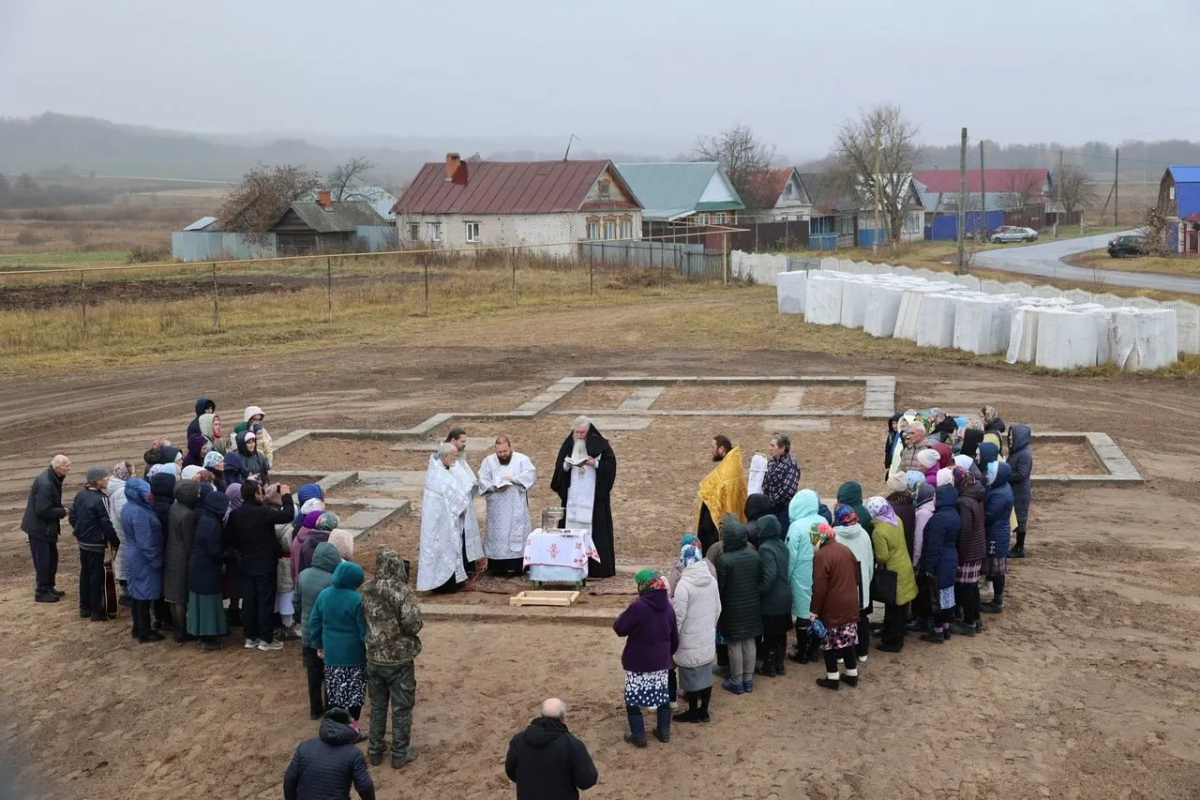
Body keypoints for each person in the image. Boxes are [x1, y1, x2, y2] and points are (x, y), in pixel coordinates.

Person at [362, 550, 423, 769]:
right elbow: (412, 624)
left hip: (374, 658)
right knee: (402, 706)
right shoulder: (402, 591)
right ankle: (400, 752)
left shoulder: (367, 589)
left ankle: (375, 751)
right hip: (399, 659)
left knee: (378, 706)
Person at [226, 479, 294, 650]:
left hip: (246, 562)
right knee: (265, 600)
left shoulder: (235, 514)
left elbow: (229, 540)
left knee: (249, 600)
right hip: (265, 563)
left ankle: (250, 636)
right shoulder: (264, 512)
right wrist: (286, 496)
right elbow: (288, 515)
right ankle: (266, 638)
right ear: (256, 494)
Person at [613, 570, 678, 747]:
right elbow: (675, 638)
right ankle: (664, 732)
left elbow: (619, 628)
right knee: (662, 696)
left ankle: (638, 736)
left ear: (643, 586)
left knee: (633, 698)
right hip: (660, 662)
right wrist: (667, 655)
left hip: (637, 662)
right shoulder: (669, 607)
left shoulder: (638, 607)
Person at [551, 417, 617, 579]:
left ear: (589, 431)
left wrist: (595, 464)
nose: (579, 436)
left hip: (593, 499)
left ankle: (595, 569)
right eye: (577, 432)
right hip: (573, 497)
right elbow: (559, 468)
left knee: (595, 530)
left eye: (582, 433)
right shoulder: (568, 444)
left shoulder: (600, 445)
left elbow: (610, 466)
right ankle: (570, 565)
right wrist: (566, 466)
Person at [417, 443, 483, 593]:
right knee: (442, 550)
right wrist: (461, 505)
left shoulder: (445, 468)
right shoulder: (437, 474)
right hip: (439, 521)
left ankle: (455, 580)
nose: (455, 459)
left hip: (449, 519)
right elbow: (446, 495)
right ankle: (443, 584)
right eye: (454, 456)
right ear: (445, 456)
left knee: (452, 548)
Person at [311, 560, 369, 730]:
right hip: (355, 657)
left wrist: (318, 644)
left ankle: (334, 729)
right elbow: (363, 630)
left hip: (332, 656)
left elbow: (314, 622)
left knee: (335, 694)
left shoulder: (324, 595)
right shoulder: (358, 599)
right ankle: (353, 729)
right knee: (355, 696)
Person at [505, 698, 598, 800]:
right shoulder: (571, 744)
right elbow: (587, 780)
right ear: (563, 718)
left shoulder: (519, 741)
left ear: (541, 714)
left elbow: (511, 771)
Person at [670, 541, 719, 723]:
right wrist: (710, 626)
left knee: (690, 676)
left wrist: (674, 636)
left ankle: (692, 712)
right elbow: (718, 608)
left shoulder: (684, 585)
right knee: (706, 675)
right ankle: (704, 711)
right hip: (706, 636)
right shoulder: (711, 581)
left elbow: (678, 617)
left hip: (689, 639)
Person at [809, 522, 862, 690]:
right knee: (848, 640)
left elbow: (819, 588)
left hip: (832, 608)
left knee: (829, 643)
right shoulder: (844, 549)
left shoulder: (821, 556)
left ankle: (832, 678)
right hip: (850, 603)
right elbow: (857, 574)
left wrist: (814, 612)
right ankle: (852, 674)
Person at [282, 708, 375, 800]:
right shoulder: (354, 753)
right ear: (348, 727)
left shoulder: (304, 747)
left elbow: (289, 780)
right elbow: (366, 787)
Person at [715, 514, 761, 695]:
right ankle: (748, 680)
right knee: (750, 641)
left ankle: (736, 680)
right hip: (752, 605)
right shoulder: (754, 555)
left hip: (732, 608)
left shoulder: (725, 560)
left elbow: (721, 587)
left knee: (734, 644)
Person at [478, 436, 537, 576]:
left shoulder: (522, 459)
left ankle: (517, 566)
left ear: (510, 448)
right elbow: (482, 481)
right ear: (495, 450)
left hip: (516, 505)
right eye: (500, 452)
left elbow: (530, 476)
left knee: (516, 533)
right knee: (498, 535)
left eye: (505, 451)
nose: (503, 454)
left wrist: (514, 479)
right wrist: (494, 487)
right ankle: (496, 567)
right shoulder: (488, 462)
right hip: (496, 508)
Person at [69, 466, 120, 621]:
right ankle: (97, 611)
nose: (108, 480)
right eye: (105, 478)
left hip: (83, 540)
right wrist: (115, 541)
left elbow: (72, 516)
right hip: (95, 543)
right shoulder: (101, 499)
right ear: (97, 481)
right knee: (96, 575)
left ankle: (84, 607)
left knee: (85, 573)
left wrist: (79, 531)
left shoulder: (80, 495)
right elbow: (107, 524)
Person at [298, 541, 342, 719]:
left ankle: (315, 709)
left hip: (307, 633)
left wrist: (300, 620)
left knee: (312, 673)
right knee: (329, 673)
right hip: (325, 636)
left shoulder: (303, 575)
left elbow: (296, 600)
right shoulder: (331, 581)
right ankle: (330, 709)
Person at [868, 496, 917, 653]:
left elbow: (882, 557)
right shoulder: (896, 519)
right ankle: (891, 631)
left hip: (893, 571)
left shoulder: (879, 531)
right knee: (901, 606)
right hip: (904, 565)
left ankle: (895, 641)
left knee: (895, 607)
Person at [121, 477, 165, 643]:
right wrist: (156, 560)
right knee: (144, 595)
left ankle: (138, 627)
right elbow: (145, 542)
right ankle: (144, 631)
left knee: (137, 593)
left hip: (134, 553)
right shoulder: (140, 512)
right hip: (142, 558)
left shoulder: (129, 507)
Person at [21, 454, 70, 603]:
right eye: (67, 466)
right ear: (58, 468)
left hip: (46, 528)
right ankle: (41, 591)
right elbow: (42, 510)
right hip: (39, 529)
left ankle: (49, 587)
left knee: (51, 559)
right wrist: (63, 511)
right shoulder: (46, 483)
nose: (69, 468)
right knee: (43, 561)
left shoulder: (52, 478)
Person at [187, 488, 229, 651]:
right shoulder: (213, 524)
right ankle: (207, 639)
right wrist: (228, 556)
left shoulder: (205, 518)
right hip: (207, 570)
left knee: (199, 603)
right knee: (208, 604)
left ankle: (202, 636)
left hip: (199, 567)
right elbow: (215, 551)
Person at [919, 482, 961, 644]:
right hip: (951, 557)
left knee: (937, 598)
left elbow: (933, 547)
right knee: (947, 596)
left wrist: (928, 568)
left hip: (940, 561)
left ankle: (937, 632)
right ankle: (945, 627)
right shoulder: (955, 515)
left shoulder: (938, 519)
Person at [834, 504, 875, 663]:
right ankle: (863, 652)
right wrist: (867, 579)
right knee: (862, 619)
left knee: (841, 621)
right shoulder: (864, 533)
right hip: (861, 585)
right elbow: (870, 561)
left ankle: (841, 655)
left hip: (841, 586)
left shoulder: (835, 536)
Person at [164, 479, 202, 644]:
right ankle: (182, 630)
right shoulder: (188, 514)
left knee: (173, 595)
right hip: (182, 557)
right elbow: (189, 541)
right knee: (179, 596)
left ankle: (178, 628)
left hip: (171, 551)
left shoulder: (175, 506)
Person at [785, 490, 821, 664]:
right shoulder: (821, 521)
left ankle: (802, 652)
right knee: (815, 610)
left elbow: (791, 555)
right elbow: (819, 547)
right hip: (818, 571)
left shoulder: (796, 526)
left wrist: (787, 575)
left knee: (802, 614)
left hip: (800, 574)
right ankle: (814, 648)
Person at [695, 435, 747, 556]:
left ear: (721, 449)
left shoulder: (728, 469)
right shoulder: (732, 463)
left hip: (716, 523)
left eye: (713, 447)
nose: (712, 450)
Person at [755, 515, 791, 678]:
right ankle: (779, 664)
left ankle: (769, 666)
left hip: (772, 600)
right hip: (785, 596)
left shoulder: (765, 549)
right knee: (781, 633)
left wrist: (758, 590)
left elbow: (769, 575)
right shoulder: (782, 545)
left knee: (769, 635)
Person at [979, 444, 1014, 614]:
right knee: (995, 568)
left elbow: (989, 516)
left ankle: (997, 601)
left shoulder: (1000, 494)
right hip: (997, 533)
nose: (987, 475)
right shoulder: (1000, 488)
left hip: (995, 535)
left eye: (990, 472)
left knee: (997, 569)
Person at [953, 466, 986, 636]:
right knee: (972, 587)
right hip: (978, 547)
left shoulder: (963, 501)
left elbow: (964, 531)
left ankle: (968, 623)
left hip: (969, 551)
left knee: (966, 588)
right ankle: (975, 618)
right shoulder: (976, 492)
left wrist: (960, 556)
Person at [107, 462, 134, 606]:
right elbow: (123, 514)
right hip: (123, 533)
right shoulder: (122, 491)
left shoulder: (116, 488)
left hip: (120, 531)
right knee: (123, 562)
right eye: (133, 473)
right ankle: (125, 593)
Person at [762, 433, 800, 533]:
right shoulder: (771, 462)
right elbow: (765, 483)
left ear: (782, 448)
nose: (769, 448)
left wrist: (770, 501)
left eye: (772, 446)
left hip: (784, 510)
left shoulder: (791, 464)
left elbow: (788, 490)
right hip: (771, 508)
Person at [1007, 424, 1033, 558]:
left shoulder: (1024, 454)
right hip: (1015, 490)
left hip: (1020, 492)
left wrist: (1005, 475)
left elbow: (1021, 474)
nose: (1010, 438)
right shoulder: (1017, 451)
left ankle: (1019, 547)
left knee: (1020, 519)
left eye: (1012, 436)